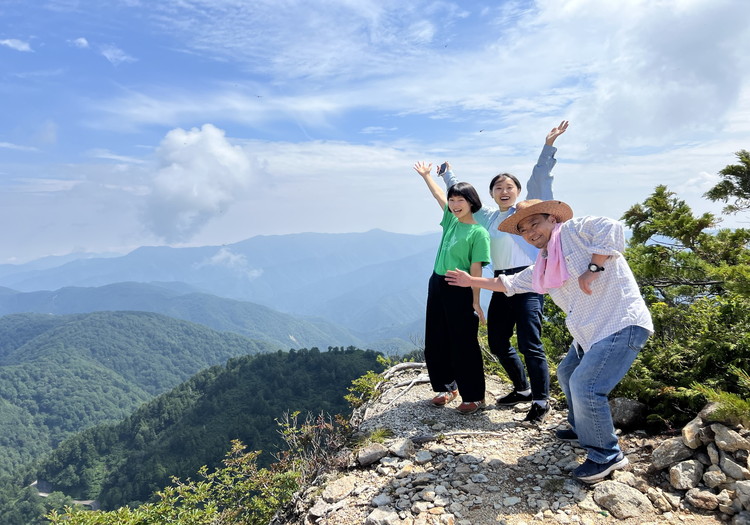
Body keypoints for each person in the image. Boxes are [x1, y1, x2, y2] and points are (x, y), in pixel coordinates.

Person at [445, 199, 653, 483]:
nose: (530, 232)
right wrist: (472, 280)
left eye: (535, 223)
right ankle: (583, 427)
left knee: (586, 385)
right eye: (523, 230)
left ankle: (606, 455)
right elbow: (508, 284)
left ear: (552, 219)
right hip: (589, 333)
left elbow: (612, 228)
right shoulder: (544, 264)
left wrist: (593, 269)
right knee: (567, 373)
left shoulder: (575, 231)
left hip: (621, 323)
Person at [439, 121, 569, 424]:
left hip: (529, 279)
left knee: (529, 343)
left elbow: (541, 180)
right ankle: (522, 389)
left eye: (509, 186)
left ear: (518, 191)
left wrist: (548, 146)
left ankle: (541, 400)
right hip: (500, 282)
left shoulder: (525, 214)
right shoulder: (486, 217)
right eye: (499, 187)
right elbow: (461, 198)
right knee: (497, 341)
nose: (504, 191)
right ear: (492, 194)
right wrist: (448, 174)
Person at [413, 161, 491, 415]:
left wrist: (475, 300)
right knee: (435, 338)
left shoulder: (478, 233)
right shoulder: (451, 220)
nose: (455, 204)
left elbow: (477, 269)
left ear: (471, 202)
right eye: (453, 200)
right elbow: (438, 194)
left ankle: (474, 395)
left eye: (460, 200)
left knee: (463, 342)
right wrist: (426, 176)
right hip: (437, 282)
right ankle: (446, 387)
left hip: (460, 287)